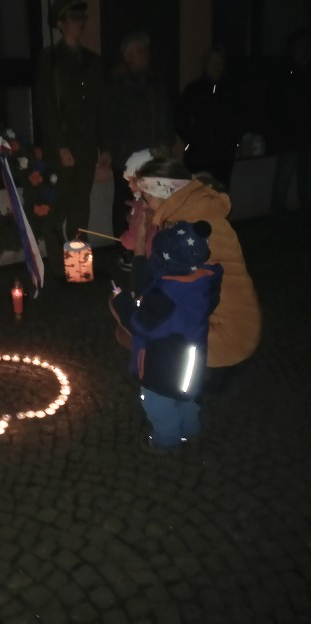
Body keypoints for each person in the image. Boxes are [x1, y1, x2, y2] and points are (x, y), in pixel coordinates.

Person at [134, 157, 261, 392]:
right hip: (237, 326)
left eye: (146, 196)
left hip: (228, 337)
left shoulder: (188, 233)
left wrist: (140, 247)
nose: (144, 204)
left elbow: (154, 288)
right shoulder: (199, 213)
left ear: (165, 193)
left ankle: (187, 390)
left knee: (143, 329)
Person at [110, 220, 223, 454]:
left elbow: (141, 325)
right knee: (187, 399)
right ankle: (191, 431)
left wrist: (121, 302)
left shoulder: (165, 297)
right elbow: (151, 285)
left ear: (165, 260)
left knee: (158, 404)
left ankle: (166, 441)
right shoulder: (203, 281)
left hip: (163, 366)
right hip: (192, 362)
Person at [35, 0, 111, 279]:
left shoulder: (93, 62)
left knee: (80, 212)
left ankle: (77, 271)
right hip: (62, 148)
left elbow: (100, 108)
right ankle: (58, 269)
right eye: (74, 18)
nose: (80, 23)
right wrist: (60, 146)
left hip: (86, 146)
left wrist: (105, 146)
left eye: (82, 17)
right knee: (57, 211)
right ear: (61, 23)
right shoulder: (49, 60)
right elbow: (47, 107)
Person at [107, 32, 176, 255]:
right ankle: (125, 250)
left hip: (155, 157)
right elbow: (110, 120)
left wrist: (167, 143)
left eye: (145, 51)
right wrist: (117, 150)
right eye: (139, 51)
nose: (144, 55)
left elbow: (166, 115)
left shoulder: (154, 82)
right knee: (127, 204)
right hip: (128, 158)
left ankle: (150, 248)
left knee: (152, 204)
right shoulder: (118, 83)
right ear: (127, 56)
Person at [174, 44, 243, 189]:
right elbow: (180, 119)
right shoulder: (193, 90)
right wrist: (192, 140)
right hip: (198, 155)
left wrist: (234, 143)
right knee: (198, 192)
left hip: (224, 155)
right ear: (205, 64)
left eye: (219, 63)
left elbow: (238, 119)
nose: (216, 67)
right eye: (213, 62)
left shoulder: (231, 91)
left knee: (221, 192)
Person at [265, 26, 311, 219]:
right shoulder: (285, 72)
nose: (304, 50)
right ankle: (279, 211)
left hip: (305, 134)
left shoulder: (306, 72)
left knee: (305, 176)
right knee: (285, 175)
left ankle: (304, 210)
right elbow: (277, 104)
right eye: (300, 46)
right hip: (289, 134)